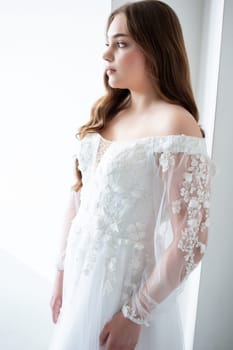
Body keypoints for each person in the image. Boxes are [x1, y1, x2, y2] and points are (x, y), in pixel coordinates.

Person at [48, 1, 215, 349]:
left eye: (121, 43)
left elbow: (192, 240)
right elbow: (78, 198)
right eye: (107, 42)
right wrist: (61, 271)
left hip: (128, 296)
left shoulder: (176, 125)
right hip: (81, 286)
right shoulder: (107, 114)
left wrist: (135, 312)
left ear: (155, 49)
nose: (107, 54)